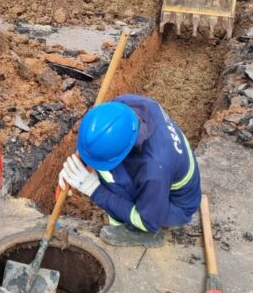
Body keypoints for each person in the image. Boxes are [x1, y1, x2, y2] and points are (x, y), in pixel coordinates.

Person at [58, 94, 202, 247]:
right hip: (164, 169)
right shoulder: (127, 105)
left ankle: (137, 233)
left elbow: (149, 221)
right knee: (108, 168)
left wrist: (93, 188)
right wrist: (79, 159)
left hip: (175, 205)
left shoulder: (153, 172)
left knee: (110, 178)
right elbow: (100, 133)